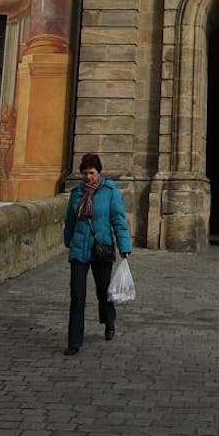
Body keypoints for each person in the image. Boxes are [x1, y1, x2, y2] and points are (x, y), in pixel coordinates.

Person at [62, 152, 132, 356]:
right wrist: (69, 241)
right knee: (77, 296)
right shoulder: (76, 194)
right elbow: (70, 221)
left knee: (103, 293)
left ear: (98, 172)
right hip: (79, 250)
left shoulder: (109, 192)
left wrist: (124, 246)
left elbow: (118, 220)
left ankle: (109, 321)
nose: (88, 177)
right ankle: (74, 341)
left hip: (101, 248)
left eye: (91, 172)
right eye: (84, 173)